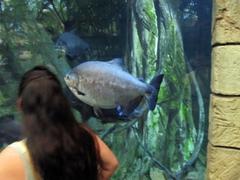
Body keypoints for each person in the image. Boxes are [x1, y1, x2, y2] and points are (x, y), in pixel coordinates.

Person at [0, 66, 119, 180]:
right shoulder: (84, 135)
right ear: (62, 102)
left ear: (20, 105)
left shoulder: (12, 157)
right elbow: (111, 164)